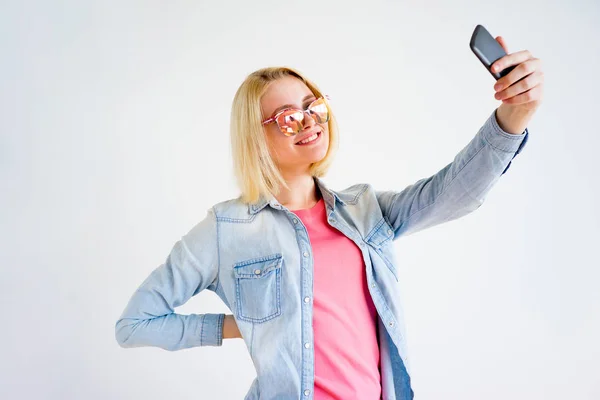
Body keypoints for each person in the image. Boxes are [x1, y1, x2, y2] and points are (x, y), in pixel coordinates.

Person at [115, 41, 543, 400]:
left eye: (311, 106)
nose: (309, 121)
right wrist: (238, 326)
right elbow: (135, 324)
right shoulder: (226, 230)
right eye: (288, 118)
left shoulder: (365, 210)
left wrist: (513, 117)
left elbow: (453, 193)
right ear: (255, 135)